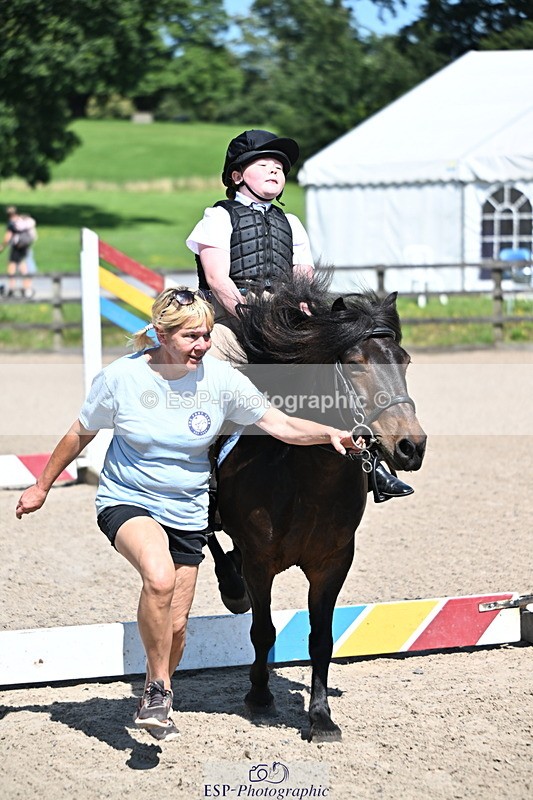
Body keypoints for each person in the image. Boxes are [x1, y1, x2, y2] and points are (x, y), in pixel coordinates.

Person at [15, 286, 360, 742]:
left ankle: (162, 689)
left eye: (207, 336)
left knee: (176, 626)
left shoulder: (220, 380)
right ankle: (156, 690)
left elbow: (282, 425)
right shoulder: (122, 378)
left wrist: (329, 434)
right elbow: (80, 433)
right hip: (129, 499)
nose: (202, 345)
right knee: (158, 578)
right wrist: (42, 485)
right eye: (191, 337)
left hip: (187, 509)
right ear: (160, 334)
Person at [187, 129, 413, 503]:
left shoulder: (290, 224)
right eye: (264, 165)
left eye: (280, 167)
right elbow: (216, 277)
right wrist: (247, 315)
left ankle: (374, 466)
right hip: (231, 316)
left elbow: (303, 277)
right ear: (237, 176)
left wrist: (306, 316)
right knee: (207, 365)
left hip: (283, 317)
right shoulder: (217, 217)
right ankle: (201, 469)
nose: (275, 171)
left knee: (337, 367)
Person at [0, 206, 36, 299]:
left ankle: (12, 288)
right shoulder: (22, 220)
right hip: (24, 246)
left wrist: (2, 246)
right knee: (22, 265)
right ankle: (26, 286)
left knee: (11, 265)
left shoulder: (12, 223)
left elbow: (8, 236)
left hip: (16, 247)